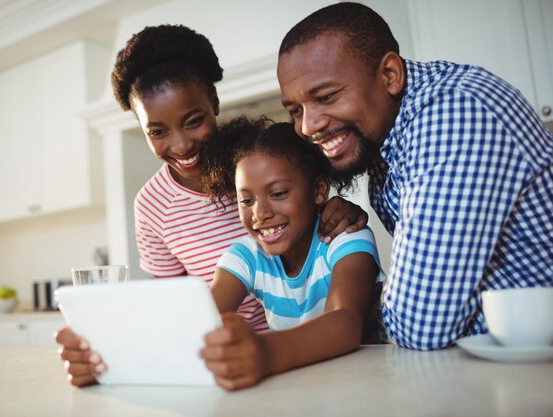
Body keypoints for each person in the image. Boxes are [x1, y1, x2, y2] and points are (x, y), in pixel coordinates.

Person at [56, 24, 368, 387]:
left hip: (295, 353)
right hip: (227, 362)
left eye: (194, 122)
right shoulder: (155, 208)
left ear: (214, 105)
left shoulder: (254, 159)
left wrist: (336, 208)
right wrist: (106, 354)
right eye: (157, 131)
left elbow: (304, 195)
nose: (182, 145)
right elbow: (175, 314)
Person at [276, 2, 553, 351]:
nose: (308, 125)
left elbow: (419, 326)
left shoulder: (455, 114)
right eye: (295, 110)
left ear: (390, 75)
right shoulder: (382, 140)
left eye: (327, 96)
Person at [198, 116, 383, 391]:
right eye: (246, 200)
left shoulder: (346, 238)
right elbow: (198, 322)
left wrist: (265, 352)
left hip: (367, 383)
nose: (260, 214)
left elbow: (345, 324)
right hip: (297, 388)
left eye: (279, 193)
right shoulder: (246, 257)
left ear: (319, 190)